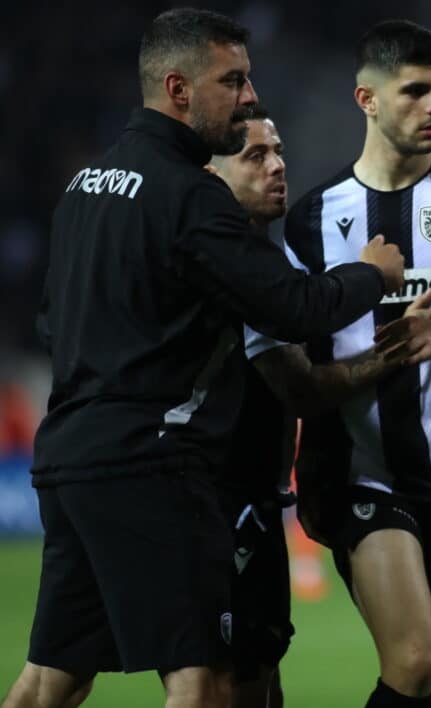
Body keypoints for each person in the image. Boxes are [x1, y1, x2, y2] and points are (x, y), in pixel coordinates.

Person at [2, 9, 403, 708]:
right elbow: (294, 308)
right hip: (153, 464)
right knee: (205, 682)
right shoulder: (190, 195)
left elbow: (50, 322)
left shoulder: (86, 185)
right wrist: (372, 274)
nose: (249, 96)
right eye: (233, 80)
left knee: (48, 681)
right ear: (178, 88)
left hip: (70, 457)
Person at [247, 20, 431, 708]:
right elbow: (298, 359)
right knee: (415, 659)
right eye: (415, 91)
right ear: (366, 99)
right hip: (358, 474)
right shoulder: (313, 218)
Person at [207, 105, 296, 708]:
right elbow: (301, 388)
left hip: (258, 496)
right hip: (223, 499)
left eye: (278, 151)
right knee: (231, 682)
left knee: (263, 672)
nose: (277, 165)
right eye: (255, 156)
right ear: (212, 177)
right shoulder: (226, 263)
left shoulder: (268, 257)